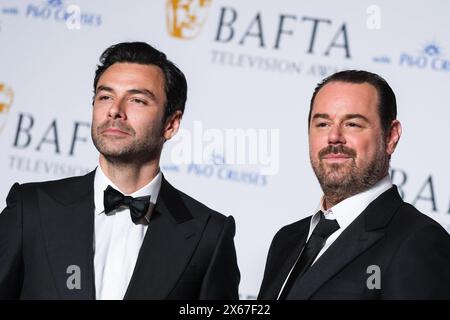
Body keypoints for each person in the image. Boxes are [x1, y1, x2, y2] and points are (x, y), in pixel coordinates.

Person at [0, 42, 240, 300]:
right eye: (105, 97)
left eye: (137, 100)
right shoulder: (31, 208)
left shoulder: (208, 235)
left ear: (170, 124)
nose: (115, 110)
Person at [258, 70, 450, 299]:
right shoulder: (287, 239)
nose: (334, 137)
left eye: (353, 124)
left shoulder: (419, 242)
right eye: (322, 124)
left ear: (391, 137)